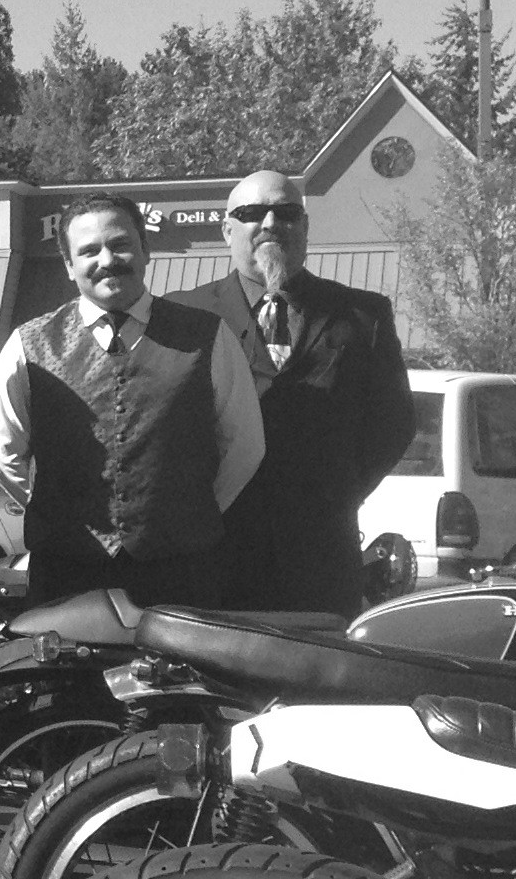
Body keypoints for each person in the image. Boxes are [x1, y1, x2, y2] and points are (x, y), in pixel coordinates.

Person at [0, 193, 262, 609]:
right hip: (66, 573)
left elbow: (245, 446)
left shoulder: (208, 336)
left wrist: (186, 515)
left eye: (120, 245)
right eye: (89, 251)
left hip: (182, 572)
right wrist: (59, 514)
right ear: (68, 265)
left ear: (145, 251)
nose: (107, 260)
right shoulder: (28, 344)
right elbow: (1, 452)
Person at [172, 169, 417, 616]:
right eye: (252, 213)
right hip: (214, 559)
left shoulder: (363, 315)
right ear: (227, 230)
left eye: (286, 213)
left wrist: (338, 493)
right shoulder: (182, 315)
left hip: (321, 559)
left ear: (304, 227)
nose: (270, 223)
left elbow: (393, 424)